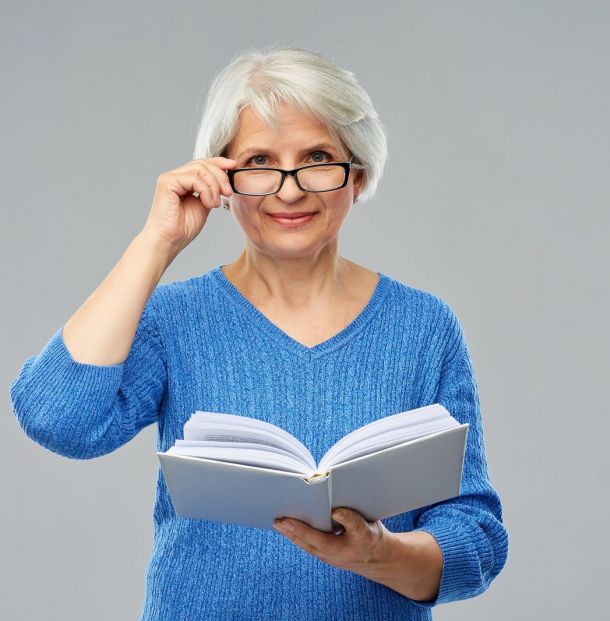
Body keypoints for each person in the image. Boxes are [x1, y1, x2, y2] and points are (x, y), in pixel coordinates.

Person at [9, 45, 509, 620]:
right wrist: (157, 242)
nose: (289, 189)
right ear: (222, 178)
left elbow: (476, 540)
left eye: (318, 157)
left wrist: (378, 553)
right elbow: (57, 419)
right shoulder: (173, 319)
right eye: (260, 161)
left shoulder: (423, 327)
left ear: (359, 173)